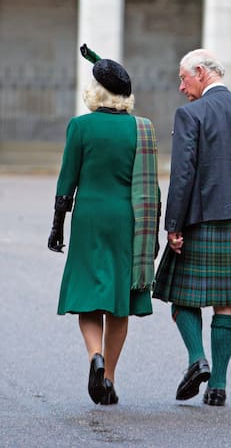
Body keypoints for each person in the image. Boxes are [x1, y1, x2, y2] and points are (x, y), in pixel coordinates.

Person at [153, 48, 231, 406]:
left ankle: (197, 359)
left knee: (180, 295)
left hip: (202, 221)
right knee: (227, 304)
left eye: (183, 78)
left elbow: (183, 175)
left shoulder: (192, 114)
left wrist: (173, 225)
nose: (180, 87)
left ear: (201, 72)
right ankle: (218, 385)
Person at [48, 44, 160, 405]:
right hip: (127, 221)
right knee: (120, 302)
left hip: (90, 218)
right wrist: (153, 234)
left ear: (94, 92)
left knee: (89, 299)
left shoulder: (80, 127)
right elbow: (152, 189)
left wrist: (57, 226)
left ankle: (94, 355)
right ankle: (109, 377)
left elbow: (67, 181)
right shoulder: (141, 130)